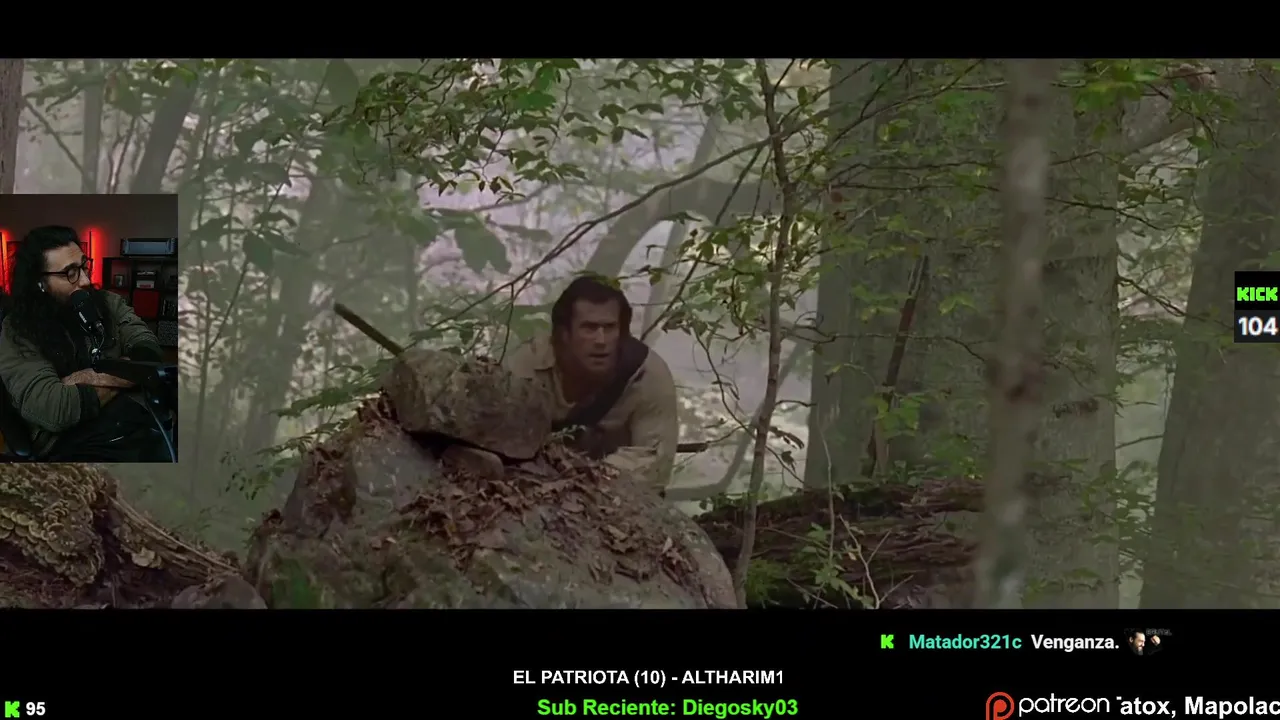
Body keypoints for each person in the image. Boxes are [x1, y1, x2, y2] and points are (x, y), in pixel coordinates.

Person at [0, 226, 170, 462]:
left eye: (83, 266)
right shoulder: (17, 330)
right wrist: (130, 375)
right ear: (40, 282)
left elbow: (148, 351)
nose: (86, 280)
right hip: (69, 443)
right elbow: (55, 408)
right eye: (70, 272)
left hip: (132, 418)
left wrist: (85, 377)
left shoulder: (109, 303)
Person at [504, 275, 678, 492]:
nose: (601, 340)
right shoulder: (529, 363)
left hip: (614, 494)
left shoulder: (647, 375)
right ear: (564, 334)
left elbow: (654, 464)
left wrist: (586, 478)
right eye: (589, 328)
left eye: (610, 328)